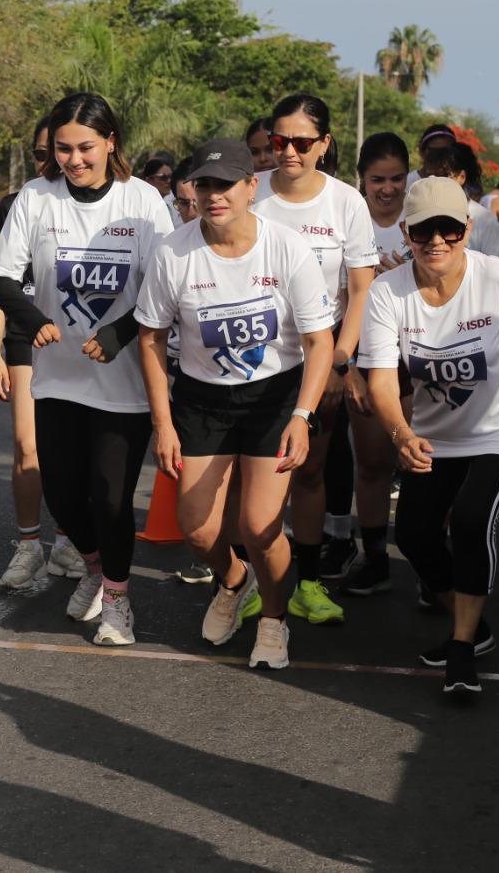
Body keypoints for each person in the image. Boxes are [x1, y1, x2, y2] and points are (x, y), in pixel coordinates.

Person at [137, 138, 334, 669]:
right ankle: (234, 582)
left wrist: (303, 416)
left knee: (260, 525)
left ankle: (273, 618)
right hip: (202, 401)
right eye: (204, 184)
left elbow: (320, 341)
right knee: (198, 530)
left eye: (225, 184)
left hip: (274, 398)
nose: (214, 195)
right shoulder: (173, 252)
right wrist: (164, 422)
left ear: (252, 186)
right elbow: (152, 337)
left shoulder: (287, 248)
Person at [0, 92, 173, 646]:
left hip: (125, 384)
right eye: (63, 149)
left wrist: (119, 333)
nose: (73, 159)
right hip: (58, 377)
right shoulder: (36, 198)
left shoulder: (142, 202)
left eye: (85, 147)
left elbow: (164, 286)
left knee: (110, 497)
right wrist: (30, 316)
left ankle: (117, 598)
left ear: (110, 142)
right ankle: (94, 567)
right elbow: (1, 275)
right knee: (64, 495)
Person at [363, 178, 499, 695]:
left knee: (472, 518)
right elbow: (381, 378)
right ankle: (472, 620)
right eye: (424, 229)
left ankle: (463, 647)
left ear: (467, 229)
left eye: (449, 228)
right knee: (414, 535)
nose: (437, 241)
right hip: (435, 435)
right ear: (406, 232)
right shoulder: (388, 291)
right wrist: (399, 432)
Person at [250, 93, 378, 625]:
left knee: (307, 473)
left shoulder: (347, 202)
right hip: (252, 361)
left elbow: (359, 290)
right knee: (251, 480)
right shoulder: (249, 192)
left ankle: (305, 583)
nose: (289, 152)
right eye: (279, 141)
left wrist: (340, 362)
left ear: (324, 144)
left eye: (303, 142)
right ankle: (253, 583)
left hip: (318, 363)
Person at [0, 116, 86, 588]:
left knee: (68, 450)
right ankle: (28, 545)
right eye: (42, 153)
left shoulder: (93, 200)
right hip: (24, 339)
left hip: (73, 340)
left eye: (61, 151)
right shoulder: (20, 201)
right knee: (27, 445)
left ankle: (69, 542)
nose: (52, 161)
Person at [335, 132, 415, 596]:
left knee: (428, 460)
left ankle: (430, 564)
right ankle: (375, 558)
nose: (387, 189)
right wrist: (350, 369)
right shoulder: (351, 219)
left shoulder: (420, 219)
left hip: (418, 358)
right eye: (377, 179)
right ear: (361, 180)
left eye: (397, 178)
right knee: (372, 465)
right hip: (366, 358)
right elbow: (344, 297)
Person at [417, 143, 499, 259]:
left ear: (462, 177)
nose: (435, 181)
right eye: (430, 175)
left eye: (443, 175)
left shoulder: (483, 219)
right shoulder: (419, 215)